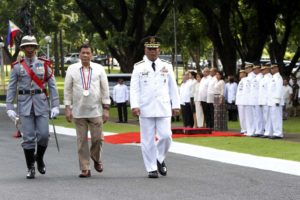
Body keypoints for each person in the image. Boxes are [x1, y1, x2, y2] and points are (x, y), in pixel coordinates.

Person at [6, 35, 60, 179]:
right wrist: (9, 107)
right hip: (24, 105)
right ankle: (30, 167)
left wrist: (55, 105)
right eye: (26, 46)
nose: (29, 49)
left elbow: (52, 85)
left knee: (43, 136)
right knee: (28, 138)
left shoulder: (44, 64)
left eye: (32, 46)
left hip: (41, 104)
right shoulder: (17, 67)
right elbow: (11, 88)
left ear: (36, 48)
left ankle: (40, 158)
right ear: (23, 48)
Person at [130, 36, 180, 178]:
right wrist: (135, 105)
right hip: (145, 108)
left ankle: (158, 158)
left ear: (159, 50)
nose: (152, 52)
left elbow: (173, 87)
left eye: (155, 49)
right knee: (147, 139)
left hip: (163, 107)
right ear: (145, 50)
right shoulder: (138, 66)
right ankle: (151, 168)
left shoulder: (167, 65)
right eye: (150, 49)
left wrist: (175, 105)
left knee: (166, 136)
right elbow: (134, 89)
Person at [64, 44, 110, 178]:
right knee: (81, 140)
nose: (85, 55)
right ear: (79, 54)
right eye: (83, 53)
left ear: (92, 55)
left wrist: (106, 108)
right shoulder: (72, 69)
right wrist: (67, 108)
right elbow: (67, 90)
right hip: (78, 111)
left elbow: (105, 89)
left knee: (98, 139)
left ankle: (96, 158)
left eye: (88, 53)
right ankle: (85, 167)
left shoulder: (99, 69)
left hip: (96, 110)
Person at [267, 64, 284, 139]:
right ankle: (275, 132)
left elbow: (279, 89)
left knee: (277, 117)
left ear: (277, 68)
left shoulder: (278, 77)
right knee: (273, 118)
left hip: (276, 101)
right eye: (271, 68)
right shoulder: (273, 77)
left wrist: (277, 100)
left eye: (273, 68)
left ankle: (278, 133)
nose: (272, 69)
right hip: (271, 101)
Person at [258, 64, 272, 138]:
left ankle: (268, 132)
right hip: (263, 100)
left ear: (267, 70)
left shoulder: (269, 78)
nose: (262, 71)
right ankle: (266, 131)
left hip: (267, 101)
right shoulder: (263, 78)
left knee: (268, 117)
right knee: (265, 117)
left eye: (263, 70)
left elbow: (269, 91)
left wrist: (267, 100)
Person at [235, 70, 248, 134]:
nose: (240, 74)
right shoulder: (241, 81)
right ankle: (243, 128)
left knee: (245, 116)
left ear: (245, 74)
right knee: (241, 116)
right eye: (240, 73)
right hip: (239, 101)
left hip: (243, 100)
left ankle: (246, 129)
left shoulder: (246, 80)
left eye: (242, 73)